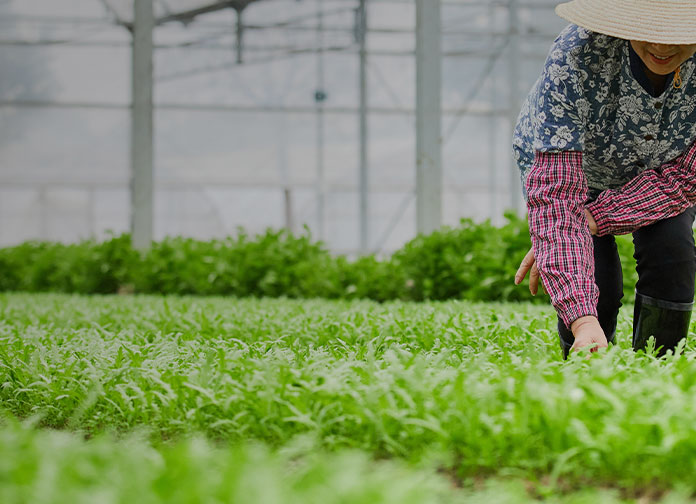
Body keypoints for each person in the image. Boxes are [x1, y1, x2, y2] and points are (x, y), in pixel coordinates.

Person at [512, 0, 696, 359]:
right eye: (648, 29)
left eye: (680, 33)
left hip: (666, 172)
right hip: (579, 169)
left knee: (672, 251)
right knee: (599, 282)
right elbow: (557, 193)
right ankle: (586, 360)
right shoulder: (576, 55)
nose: (662, 45)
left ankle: (661, 367)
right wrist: (582, 318)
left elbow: (687, 177)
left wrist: (595, 218)